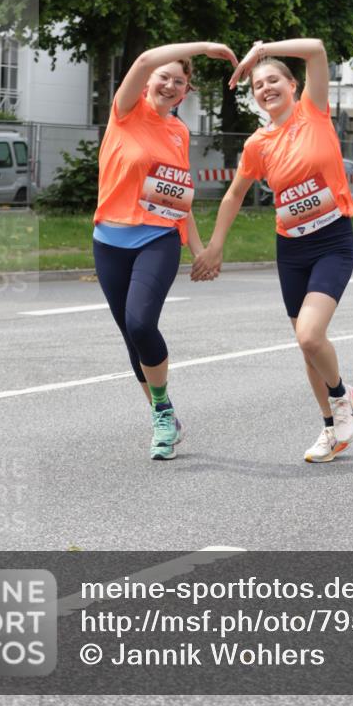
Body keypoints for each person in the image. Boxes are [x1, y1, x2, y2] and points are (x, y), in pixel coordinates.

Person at [192, 38, 353, 463]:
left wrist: (259, 51)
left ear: (292, 84)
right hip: (291, 249)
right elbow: (233, 196)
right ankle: (331, 428)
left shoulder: (314, 111)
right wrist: (214, 247)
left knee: (310, 333)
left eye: (273, 80)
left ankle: (342, 402)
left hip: (332, 240)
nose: (265, 88)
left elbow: (319, 49)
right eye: (257, 85)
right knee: (307, 346)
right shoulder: (257, 145)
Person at [93, 41, 238, 460]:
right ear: (149, 81)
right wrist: (206, 47)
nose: (171, 85)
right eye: (165, 77)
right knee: (130, 337)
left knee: (141, 324)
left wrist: (201, 250)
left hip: (157, 238)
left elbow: (176, 198)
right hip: (109, 240)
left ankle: (160, 414)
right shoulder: (125, 111)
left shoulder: (178, 131)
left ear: (186, 92)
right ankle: (163, 413)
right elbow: (140, 59)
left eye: (180, 81)